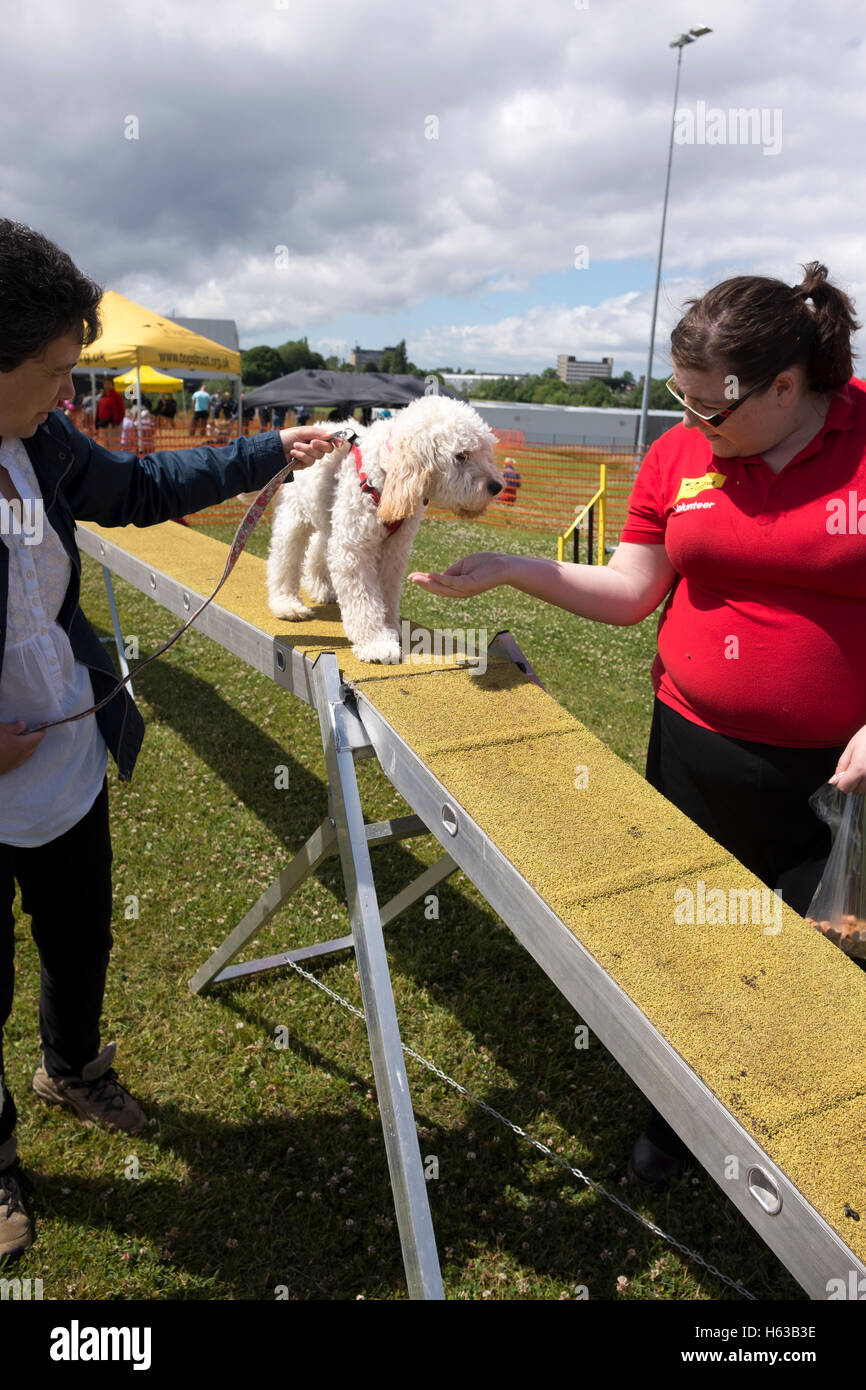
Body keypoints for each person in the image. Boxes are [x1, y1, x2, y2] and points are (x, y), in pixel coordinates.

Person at [410, 261, 866, 1188]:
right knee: (692, 941)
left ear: (788, 387)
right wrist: (508, 565)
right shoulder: (680, 454)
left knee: (834, 957)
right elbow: (630, 590)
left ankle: (818, 1140)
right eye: (682, 402)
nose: (694, 427)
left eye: (712, 409)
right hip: (695, 745)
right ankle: (680, 1117)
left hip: (843, 777)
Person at [0, 218, 339, 1262]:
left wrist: (266, 451)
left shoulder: (39, 440)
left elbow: (134, 489)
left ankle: (71, 1067)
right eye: (56, 371)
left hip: (61, 755)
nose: (70, 394)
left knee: (80, 931)